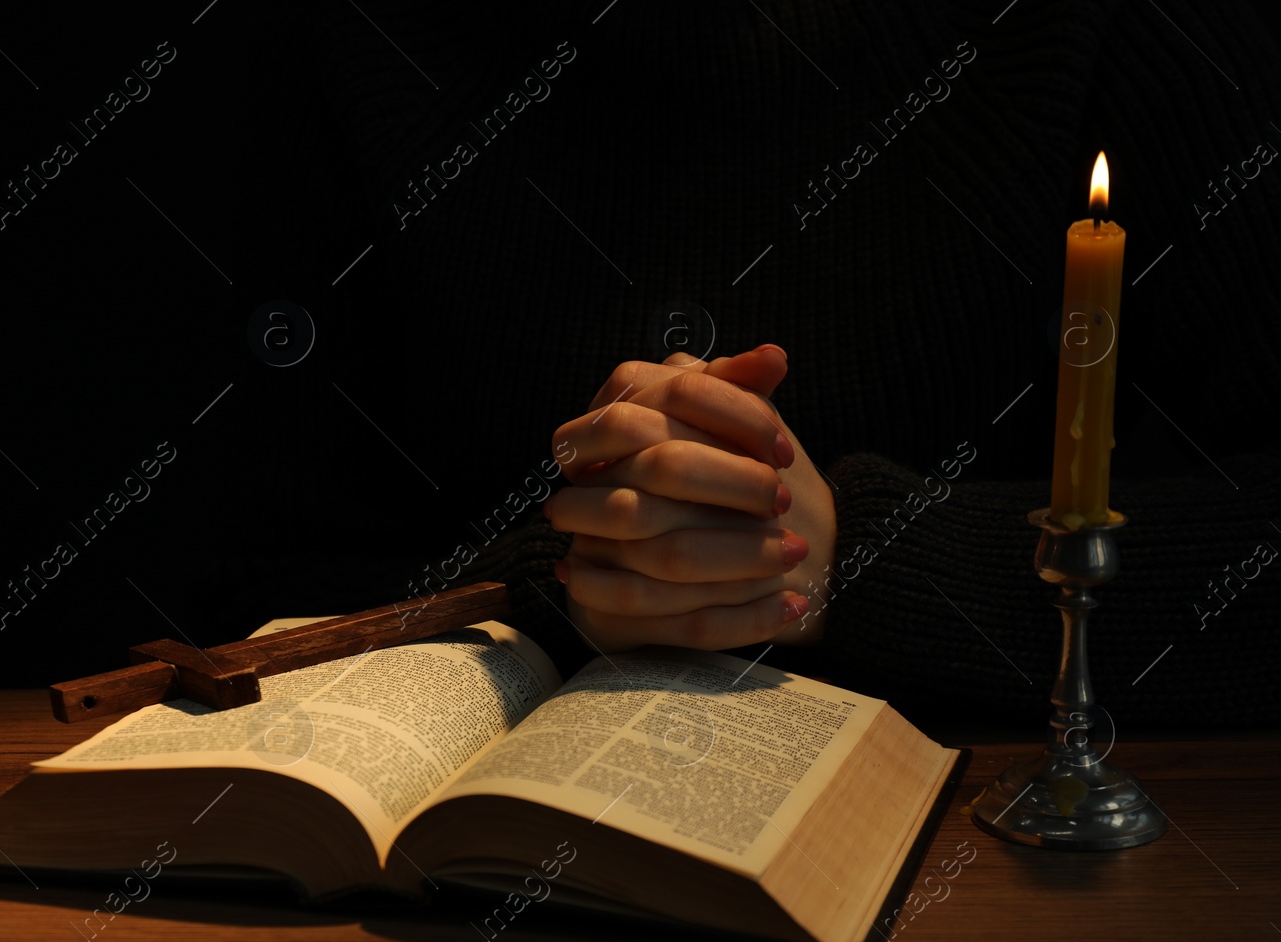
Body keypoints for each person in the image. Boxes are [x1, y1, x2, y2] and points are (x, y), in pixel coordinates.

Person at [295, 0, 1281, 728]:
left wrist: (855, 558)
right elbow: (205, 578)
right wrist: (574, 573)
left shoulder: (1141, 32)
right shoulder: (342, 43)